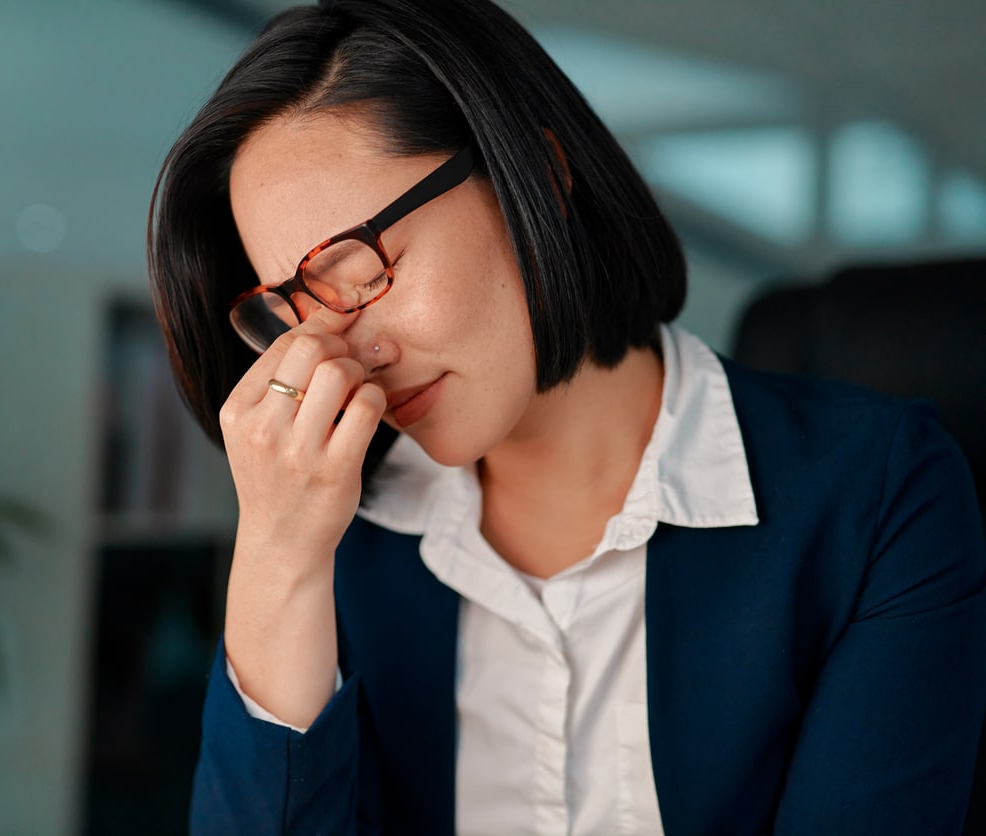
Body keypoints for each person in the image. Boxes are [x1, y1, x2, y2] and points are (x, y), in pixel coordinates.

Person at [146, 1, 986, 833]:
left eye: (358, 270)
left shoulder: (874, 492)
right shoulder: (335, 542)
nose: (343, 353)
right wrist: (279, 562)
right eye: (294, 310)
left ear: (536, 177)